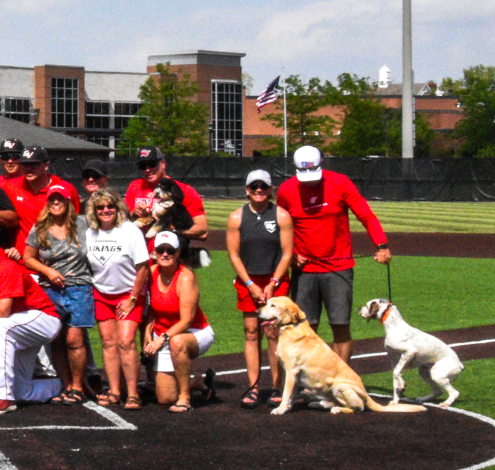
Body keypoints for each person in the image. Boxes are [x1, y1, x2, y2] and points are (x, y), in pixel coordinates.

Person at [275, 145, 391, 366]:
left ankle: (341, 382)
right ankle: (310, 384)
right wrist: (290, 255)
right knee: (305, 328)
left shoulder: (340, 183)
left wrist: (381, 244)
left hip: (338, 269)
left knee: (340, 325)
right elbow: (280, 227)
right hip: (304, 270)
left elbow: (366, 215)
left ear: (322, 163)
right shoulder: (286, 190)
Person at [0, 225, 63, 414]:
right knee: (22, 391)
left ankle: (2, 395)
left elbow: (3, 311)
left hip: (43, 318)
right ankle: (59, 385)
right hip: (17, 327)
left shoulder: (3, 264)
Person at [11, 185, 93, 403]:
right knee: (55, 340)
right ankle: (65, 385)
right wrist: (47, 271)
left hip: (79, 287)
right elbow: (28, 257)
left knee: (74, 340)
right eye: (52, 200)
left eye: (61, 200)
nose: (56, 203)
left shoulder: (83, 224)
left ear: (68, 202)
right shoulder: (40, 228)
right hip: (50, 289)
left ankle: (78, 386)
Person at [226, 168, 295, 407]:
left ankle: (277, 385)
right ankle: (253, 386)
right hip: (248, 281)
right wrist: (250, 284)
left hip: (275, 280)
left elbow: (287, 253)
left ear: (270, 189)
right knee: (251, 332)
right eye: (254, 186)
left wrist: (273, 283)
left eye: (263, 187)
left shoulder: (281, 216)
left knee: (273, 333)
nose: (258, 190)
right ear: (247, 190)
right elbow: (234, 255)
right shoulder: (237, 217)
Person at [132, 231, 217, 411]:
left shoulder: (186, 277)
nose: (165, 254)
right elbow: (153, 308)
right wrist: (148, 331)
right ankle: (196, 382)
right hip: (165, 334)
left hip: (194, 332)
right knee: (165, 398)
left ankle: (185, 399)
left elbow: (186, 321)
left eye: (170, 250)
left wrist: (160, 339)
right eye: (161, 250)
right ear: (154, 252)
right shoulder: (152, 272)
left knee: (177, 343)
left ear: (178, 253)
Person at [81, 187, 148, 410]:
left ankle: (133, 393)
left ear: (117, 207)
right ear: (94, 210)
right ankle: (114, 390)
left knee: (126, 341)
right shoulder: (91, 232)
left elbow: (143, 268)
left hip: (129, 293)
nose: (106, 210)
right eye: (100, 207)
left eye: (110, 206)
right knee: (108, 343)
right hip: (101, 293)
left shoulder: (130, 231)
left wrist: (132, 298)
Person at [123, 148, 208, 260]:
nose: (148, 169)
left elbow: (202, 230)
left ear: (163, 163)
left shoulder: (184, 191)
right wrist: (135, 212)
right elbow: (122, 221)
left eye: (152, 164)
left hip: (170, 260)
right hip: (139, 258)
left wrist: (171, 227)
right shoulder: (135, 187)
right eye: (143, 166)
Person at [0, 146, 77, 238]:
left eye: (34, 165)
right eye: (25, 165)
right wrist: (8, 245)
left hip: (53, 249)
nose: (28, 169)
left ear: (46, 166)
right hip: (22, 250)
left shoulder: (65, 189)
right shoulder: (11, 187)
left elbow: (75, 221)